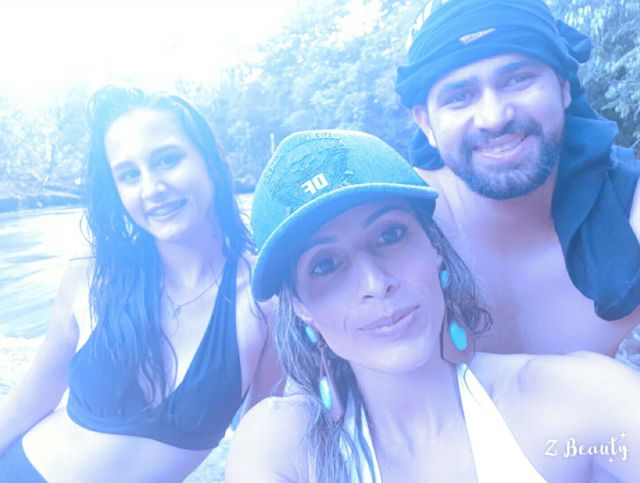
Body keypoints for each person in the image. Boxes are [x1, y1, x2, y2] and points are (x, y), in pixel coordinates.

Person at [226, 129, 640, 483]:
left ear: (434, 247)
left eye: (390, 235)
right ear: (300, 306)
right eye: (325, 265)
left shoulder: (573, 399)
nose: (375, 284)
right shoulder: (282, 446)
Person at [0, 86, 281, 482]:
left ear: (213, 159)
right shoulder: (93, 272)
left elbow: (264, 444)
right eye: (129, 175)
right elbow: (29, 400)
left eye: (167, 160)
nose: (152, 189)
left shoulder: (265, 298)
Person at [394, 0, 640, 355]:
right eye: (459, 97)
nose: (494, 117)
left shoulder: (627, 210)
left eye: (518, 79)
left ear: (564, 87)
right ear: (425, 123)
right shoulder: (394, 226)